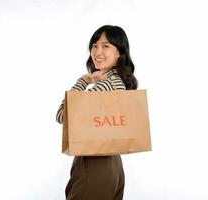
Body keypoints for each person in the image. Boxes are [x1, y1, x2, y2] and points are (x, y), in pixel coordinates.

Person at [56, 25, 138, 200]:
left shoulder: (107, 84)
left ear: (119, 52)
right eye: (94, 45)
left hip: (95, 164)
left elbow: (63, 116)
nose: (97, 51)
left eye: (105, 46)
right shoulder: (119, 82)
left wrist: (84, 80)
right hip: (113, 164)